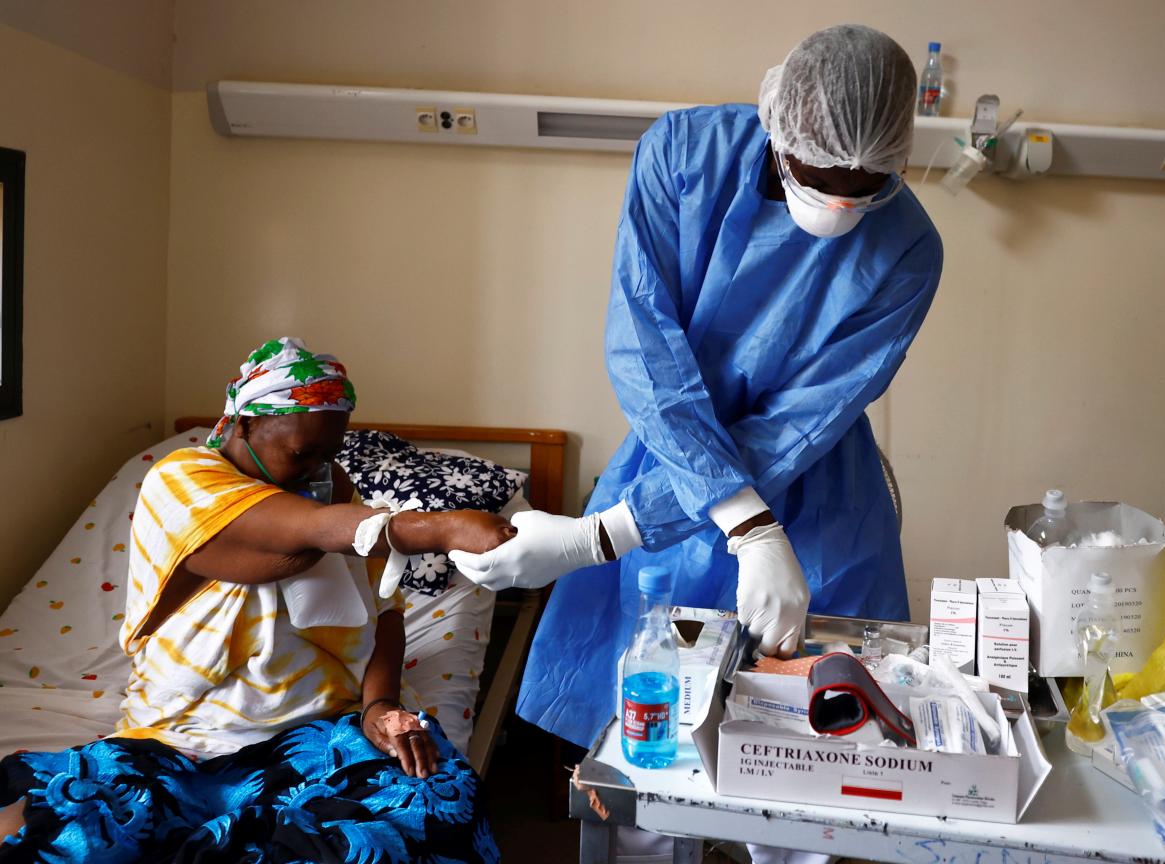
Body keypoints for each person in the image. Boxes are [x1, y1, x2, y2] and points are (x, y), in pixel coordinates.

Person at [453, 23, 942, 764]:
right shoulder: (684, 155)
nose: (839, 205)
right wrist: (734, 524)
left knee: (821, 748)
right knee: (648, 742)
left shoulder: (909, 248)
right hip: (673, 452)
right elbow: (647, 350)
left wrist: (612, 534)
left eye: (866, 186)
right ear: (780, 124)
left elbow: (804, 421)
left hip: (819, 484)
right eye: (817, 174)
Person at [0, 337, 511, 863]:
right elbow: (296, 537)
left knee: (436, 805)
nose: (316, 469)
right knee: (76, 829)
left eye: (328, 454)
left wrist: (379, 707)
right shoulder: (180, 480)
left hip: (319, 735)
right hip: (182, 736)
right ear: (244, 424)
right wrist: (439, 528)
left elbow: (384, 615)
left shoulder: (331, 487)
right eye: (300, 453)